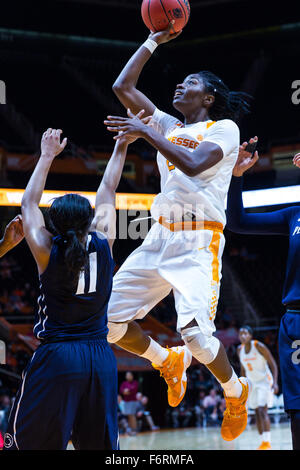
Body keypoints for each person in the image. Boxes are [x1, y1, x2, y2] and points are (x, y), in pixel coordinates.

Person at [104, 23, 251, 441]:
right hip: (159, 237)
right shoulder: (169, 125)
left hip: (198, 242)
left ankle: (235, 391)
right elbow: (123, 85)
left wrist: (149, 132)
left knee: (198, 338)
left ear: (208, 98)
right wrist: (153, 39)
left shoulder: (223, 129)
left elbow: (195, 164)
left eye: (190, 83)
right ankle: (165, 361)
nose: (179, 85)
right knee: (108, 321)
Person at [3, 120, 149, 450]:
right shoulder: (104, 240)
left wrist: (46, 155)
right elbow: (108, 188)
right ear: (89, 219)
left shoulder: (45, 248)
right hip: (101, 357)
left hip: (58, 357)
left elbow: (28, 204)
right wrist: (121, 145)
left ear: (53, 224)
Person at [226, 140, 300, 450]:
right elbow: (238, 222)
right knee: (297, 406)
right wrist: (237, 177)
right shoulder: (294, 215)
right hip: (295, 319)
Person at [238, 325, 278, 450]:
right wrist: (243, 385)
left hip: (264, 382)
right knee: (256, 412)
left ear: (250, 335)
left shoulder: (259, 346)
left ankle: (267, 442)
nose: (243, 336)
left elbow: (273, 364)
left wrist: (275, 382)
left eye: (245, 333)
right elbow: (243, 368)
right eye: (241, 334)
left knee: (262, 410)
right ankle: (262, 442)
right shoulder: (240, 349)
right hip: (252, 383)